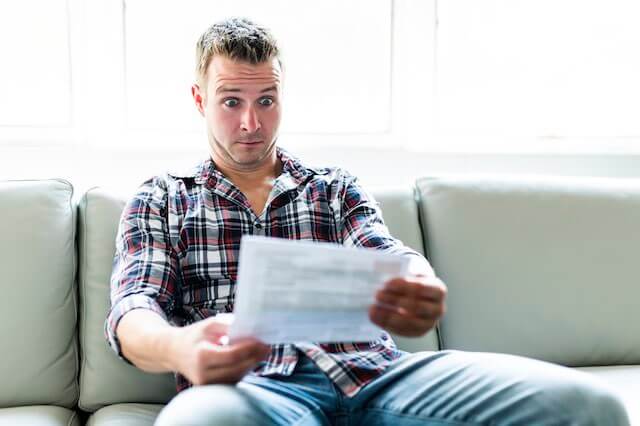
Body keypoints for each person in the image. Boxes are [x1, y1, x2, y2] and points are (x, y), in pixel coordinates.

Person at [106, 17, 629, 426]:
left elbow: (387, 251)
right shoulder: (164, 198)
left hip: (377, 376)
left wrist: (418, 280)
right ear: (200, 100)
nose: (251, 122)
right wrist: (180, 347)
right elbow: (133, 311)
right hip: (251, 391)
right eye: (231, 102)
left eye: (266, 100)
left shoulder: (332, 186)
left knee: (591, 409)